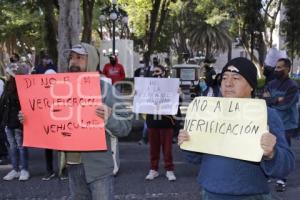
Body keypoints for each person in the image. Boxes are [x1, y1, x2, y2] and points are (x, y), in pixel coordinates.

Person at [20, 43, 132, 199]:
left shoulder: (107, 90)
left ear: (91, 61)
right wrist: (29, 118)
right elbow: (47, 119)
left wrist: (109, 119)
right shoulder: (59, 89)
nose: (73, 62)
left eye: (79, 58)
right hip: (72, 167)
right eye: (71, 58)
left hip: (98, 167)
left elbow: (126, 126)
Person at [178, 57, 295, 200]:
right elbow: (194, 159)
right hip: (209, 193)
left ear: (251, 86)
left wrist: (272, 153)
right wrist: (187, 143)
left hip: (251, 195)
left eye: (236, 78)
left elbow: (286, 166)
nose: (228, 83)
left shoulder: (266, 114)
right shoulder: (207, 112)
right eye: (224, 78)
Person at [262, 58, 298, 192]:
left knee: (284, 150)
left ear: (288, 69)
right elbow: (264, 100)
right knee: (268, 149)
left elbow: (286, 105)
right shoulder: (271, 83)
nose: (276, 70)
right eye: (276, 67)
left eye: (279, 67)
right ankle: (269, 173)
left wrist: (272, 100)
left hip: (287, 124)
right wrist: (277, 99)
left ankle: (282, 179)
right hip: (271, 123)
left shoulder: (293, 86)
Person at [145, 65, 177, 181]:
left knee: (167, 149)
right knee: (153, 148)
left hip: (166, 122)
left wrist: (178, 93)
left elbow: (177, 102)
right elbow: (141, 101)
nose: (155, 74)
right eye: (153, 72)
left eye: (158, 71)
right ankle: (153, 169)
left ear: (164, 72)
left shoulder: (170, 85)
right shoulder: (147, 86)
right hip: (152, 122)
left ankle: (169, 170)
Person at [1, 62, 31, 181]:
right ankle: (15, 169)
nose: (6, 75)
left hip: (18, 121)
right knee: (13, 146)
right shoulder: (7, 86)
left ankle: (24, 169)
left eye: (8, 73)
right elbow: (3, 104)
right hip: (8, 121)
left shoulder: (21, 87)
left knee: (21, 146)